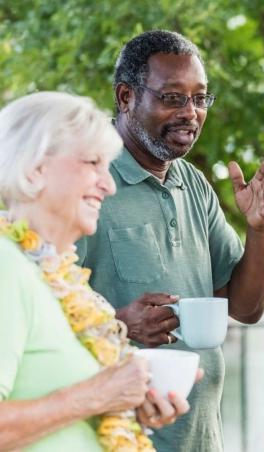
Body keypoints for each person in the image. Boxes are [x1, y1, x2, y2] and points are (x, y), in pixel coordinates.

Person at [76, 30, 264, 452]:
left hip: (202, 438)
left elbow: (246, 307)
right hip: (115, 439)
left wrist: (259, 229)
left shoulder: (194, 184)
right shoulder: (87, 181)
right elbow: (37, 313)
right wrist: (118, 324)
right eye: (172, 97)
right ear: (126, 97)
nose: (191, 113)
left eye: (200, 98)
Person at [0, 92, 192, 451]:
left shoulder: (66, 279)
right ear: (35, 168)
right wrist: (99, 395)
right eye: (92, 163)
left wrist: (130, 409)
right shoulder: (6, 266)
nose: (109, 185)